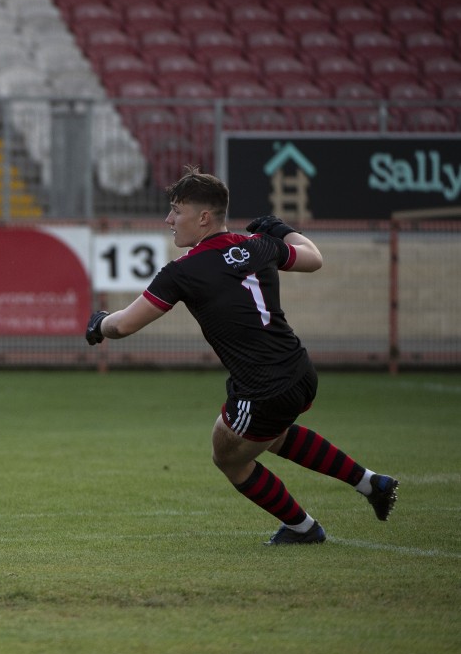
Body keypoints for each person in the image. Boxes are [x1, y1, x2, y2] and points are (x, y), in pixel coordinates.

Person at [84, 166, 398, 545]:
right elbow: (314, 257)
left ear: (203, 218)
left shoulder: (182, 272)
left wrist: (99, 323)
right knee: (270, 435)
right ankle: (371, 483)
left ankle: (304, 528)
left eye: (176, 211)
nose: (169, 219)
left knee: (227, 455)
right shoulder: (258, 245)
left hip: (263, 387)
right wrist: (280, 229)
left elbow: (123, 326)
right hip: (300, 371)